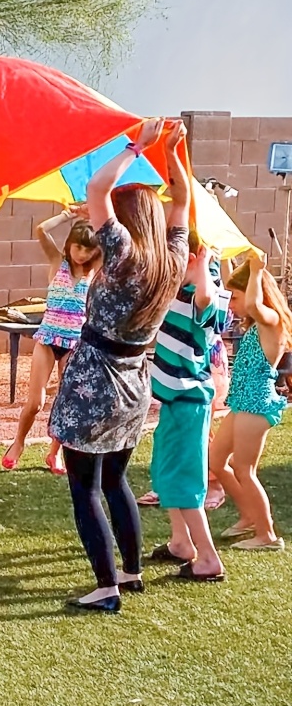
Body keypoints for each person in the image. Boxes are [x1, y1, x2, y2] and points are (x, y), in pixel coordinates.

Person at [48, 118, 190, 613]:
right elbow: (182, 202)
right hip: (134, 383)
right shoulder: (172, 259)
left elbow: (96, 187)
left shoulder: (125, 254)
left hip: (95, 379)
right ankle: (130, 573)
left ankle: (106, 586)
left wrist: (138, 147)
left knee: (84, 486)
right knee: (115, 481)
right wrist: (172, 154)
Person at [148, 229, 230, 581]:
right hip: (174, 400)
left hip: (189, 401)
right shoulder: (178, 286)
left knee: (184, 481)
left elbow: (206, 302)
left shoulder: (205, 287)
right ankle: (182, 543)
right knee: (166, 473)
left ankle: (209, 559)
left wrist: (203, 267)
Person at [1, 207, 100, 474]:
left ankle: (53, 453)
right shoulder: (58, 263)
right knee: (36, 402)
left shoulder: (94, 272)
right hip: (47, 340)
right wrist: (69, 215)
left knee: (66, 402)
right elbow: (42, 230)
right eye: (78, 247)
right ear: (69, 245)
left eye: (88, 249)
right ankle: (18, 442)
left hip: (74, 345)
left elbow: (117, 246)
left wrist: (100, 217)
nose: (82, 254)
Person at [208, 255, 292, 551]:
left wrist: (256, 271)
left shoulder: (271, 319)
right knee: (216, 461)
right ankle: (249, 516)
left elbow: (255, 304)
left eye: (236, 297)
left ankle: (267, 535)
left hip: (256, 404)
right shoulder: (257, 323)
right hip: (242, 403)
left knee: (244, 469)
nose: (231, 304)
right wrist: (232, 260)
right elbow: (248, 302)